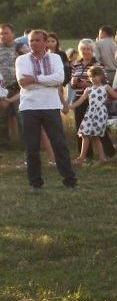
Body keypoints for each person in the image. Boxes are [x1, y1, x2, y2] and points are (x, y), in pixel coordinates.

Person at [16, 30, 77, 190]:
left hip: (50, 105)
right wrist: (47, 81)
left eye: (37, 40)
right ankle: (35, 183)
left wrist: (35, 78)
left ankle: (70, 180)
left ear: (45, 42)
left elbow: (59, 79)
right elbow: (23, 82)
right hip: (29, 107)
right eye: (31, 41)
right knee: (32, 147)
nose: (33, 43)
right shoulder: (21, 60)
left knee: (59, 144)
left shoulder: (55, 58)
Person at [69, 65, 117, 164]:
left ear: (101, 76)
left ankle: (86, 158)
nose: (93, 79)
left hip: (100, 113)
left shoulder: (105, 87)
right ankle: (95, 158)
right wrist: (69, 106)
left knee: (95, 136)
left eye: (95, 76)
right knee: (86, 134)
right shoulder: (89, 89)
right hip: (90, 113)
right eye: (91, 77)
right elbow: (80, 101)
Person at [69, 39, 117, 159]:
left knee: (99, 127)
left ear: (92, 50)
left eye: (88, 49)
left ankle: (109, 152)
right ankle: (86, 155)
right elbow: (71, 81)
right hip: (80, 96)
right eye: (83, 49)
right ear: (80, 50)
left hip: (95, 98)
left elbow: (104, 82)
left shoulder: (98, 65)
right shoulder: (76, 64)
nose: (86, 51)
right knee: (81, 126)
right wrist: (74, 82)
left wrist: (89, 85)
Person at [0, 23, 20, 143]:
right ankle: (4, 144)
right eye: (1, 33)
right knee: (2, 118)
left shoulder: (21, 48)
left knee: (21, 116)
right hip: (2, 88)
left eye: (6, 33)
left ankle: (25, 144)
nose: (3, 35)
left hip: (18, 87)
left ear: (13, 34)